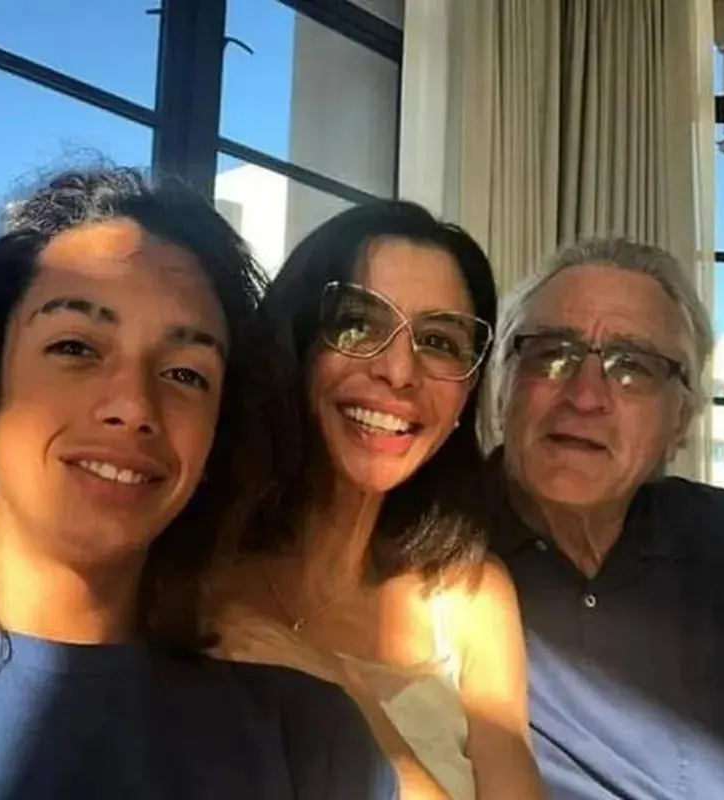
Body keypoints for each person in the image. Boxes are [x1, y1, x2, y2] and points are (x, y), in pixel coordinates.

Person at [0, 167, 397, 800]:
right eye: (75, 347)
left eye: (186, 374)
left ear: (216, 439)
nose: (134, 406)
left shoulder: (311, 739)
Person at [200, 202, 544, 800]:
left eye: (438, 341)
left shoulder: (469, 597)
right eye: (358, 324)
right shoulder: (189, 572)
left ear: (466, 394)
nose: (400, 371)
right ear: (295, 343)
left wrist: (345, 699)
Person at [482, 237, 724, 800]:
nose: (585, 396)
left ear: (681, 422)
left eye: (633, 367)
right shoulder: (426, 553)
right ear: (501, 386)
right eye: (551, 352)